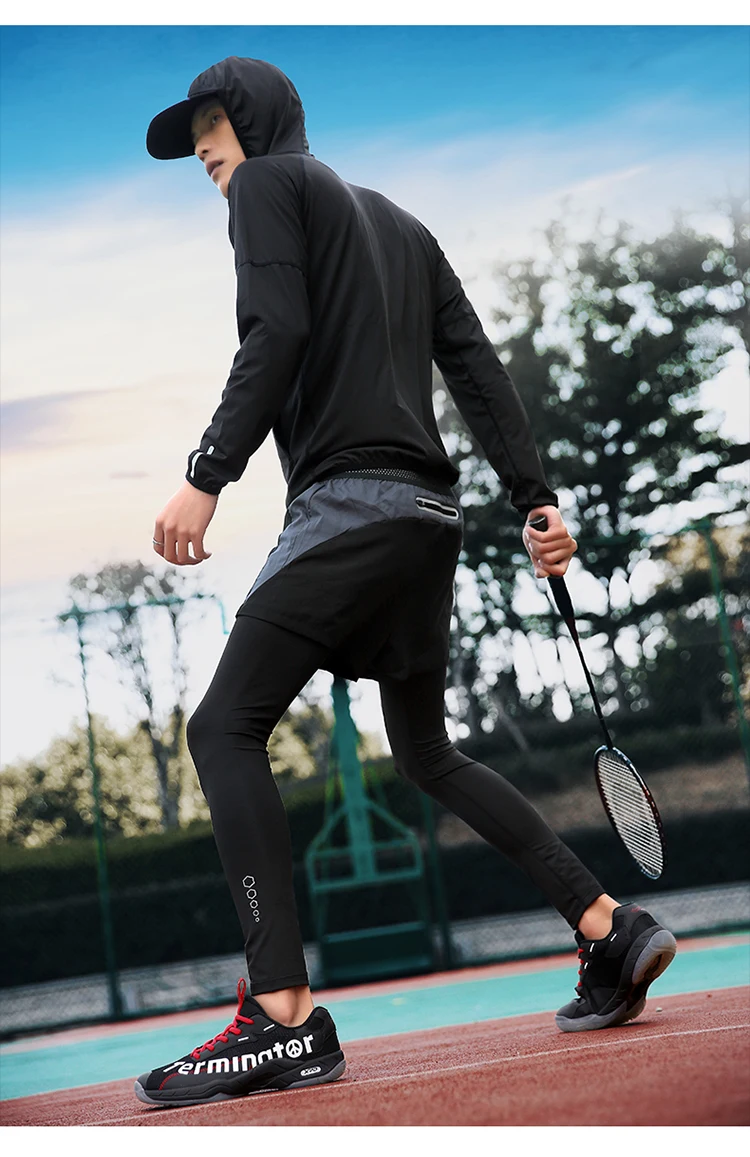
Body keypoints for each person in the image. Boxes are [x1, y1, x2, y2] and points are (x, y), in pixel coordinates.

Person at [137, 56, 676, 1108]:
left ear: (258, 119)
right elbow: (476, 368)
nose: (201, 147)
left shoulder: (266, 186)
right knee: (426, 751)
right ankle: (608, 924)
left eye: (212, 121)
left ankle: (282, 1013)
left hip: (351, 511)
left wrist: (206, 474)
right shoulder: (403, 224)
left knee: (223, 728)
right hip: (431, 522)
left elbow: (277, 332)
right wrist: (535, 499)